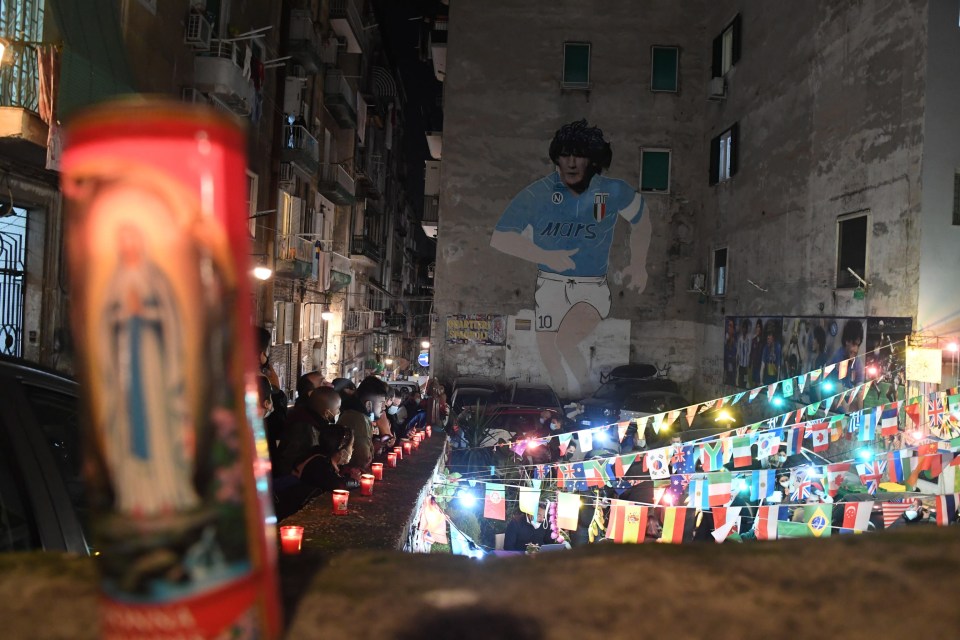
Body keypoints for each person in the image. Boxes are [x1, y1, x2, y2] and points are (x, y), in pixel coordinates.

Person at [490, 119, 651, 399]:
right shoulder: (537, 193)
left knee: (565, 341)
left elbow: (642, 219)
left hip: (591, 285)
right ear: (557, 158)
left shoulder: (612, 191)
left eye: (580, 155)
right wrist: (545, 256)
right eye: (565, 155)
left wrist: (638, 264)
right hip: (550, 283)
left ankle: (586, 396)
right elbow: (501, 237)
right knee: (548, 349)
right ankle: (566, 400)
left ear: (593, 160)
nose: (572, 162)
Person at [274, 385, 340, 477]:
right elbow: (289, 462)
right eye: (337, 408)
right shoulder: (304, 427)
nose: (338, 412)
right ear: (326, 412)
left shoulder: (314, 423)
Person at [337, 375, 389, 472]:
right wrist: (374, 448)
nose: (384, 407)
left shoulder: (353, 413)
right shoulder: (359, 420)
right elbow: (362, 460)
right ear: (368, 404)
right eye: (381, 403)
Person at [736, 319, 751, 388]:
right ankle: (740, 385)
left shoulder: (748, 339)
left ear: (747, 329)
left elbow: (749, 351)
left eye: (745, 328)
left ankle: (744, 386)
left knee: (745, 377)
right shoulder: (740, 339)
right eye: (743, 328)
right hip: (741, 363)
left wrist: (749, 362)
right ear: (742, 329)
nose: (744, 329)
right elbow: (738, 350)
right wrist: (737, 359)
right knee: (740, 376)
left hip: (746, 364)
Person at [749, 318, 764, 387]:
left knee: (758, 383)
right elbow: (751, 353)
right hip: (754, 365)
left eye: (759, 327)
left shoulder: (763, 341)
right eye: (757, 327)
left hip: (760, 366)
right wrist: (750, 363)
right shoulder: (754, 340)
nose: (758, 329)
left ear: (761, 329)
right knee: (754, 383)